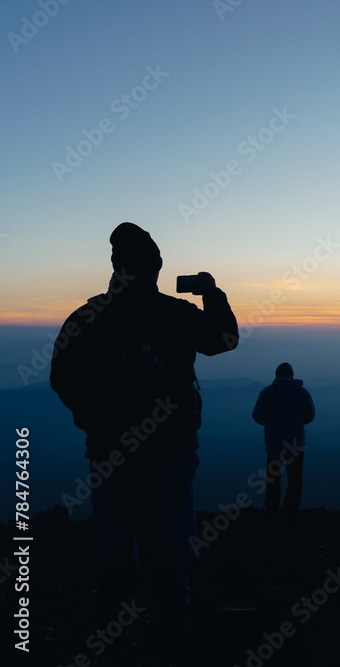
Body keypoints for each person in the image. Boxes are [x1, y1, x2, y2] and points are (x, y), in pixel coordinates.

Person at [49, 222, 238, 634]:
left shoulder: (87, 317)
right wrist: (211, 293)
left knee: (115, 539)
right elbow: (225, 339)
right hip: (172, 448)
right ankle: (172, 620)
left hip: (108, 449)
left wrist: (91, 418)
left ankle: (113, 624)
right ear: (156, 268)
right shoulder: (176, 313)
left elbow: (61, 376)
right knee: (171, 536)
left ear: (117, 266)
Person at [252, 362, 316, 515]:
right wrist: (298, 424)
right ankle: (292, 508)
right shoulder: (303, 393)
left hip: (274, 443)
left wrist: (270, 424)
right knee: (295, 477)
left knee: (273, 477)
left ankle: (272, 508)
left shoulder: (267, 393)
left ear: (276, 374)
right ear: (292, 375)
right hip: (296, 442)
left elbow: (257, 416)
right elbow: (310, 415)